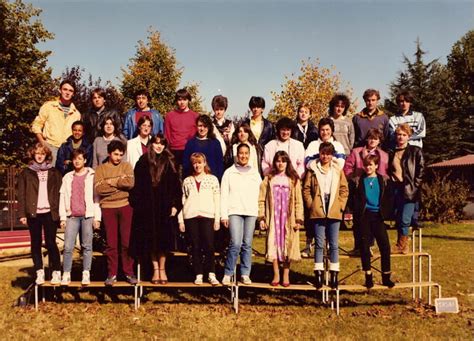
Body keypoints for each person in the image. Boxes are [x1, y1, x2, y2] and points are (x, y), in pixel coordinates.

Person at [130, 134, 182, 285]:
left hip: (165, 207)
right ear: (151, 144)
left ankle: (163, 269)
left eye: (162, 144)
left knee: (163, 240)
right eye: (156, 143)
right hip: (148, 207)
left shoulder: (170, 161)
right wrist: (138, 205)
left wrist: (175, 205)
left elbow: (176, 187)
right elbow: (137, 186)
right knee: (151, 240)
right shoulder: (143, 161)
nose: (159, 146)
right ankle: (155, 270)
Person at [303, 142, 348, 289]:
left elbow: (344, 189)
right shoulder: (313, 170)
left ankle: (334, 273)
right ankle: (319, 273)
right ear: (319, 153)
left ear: (332, 155)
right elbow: (306, 190)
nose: (325, 156)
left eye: (328, 154)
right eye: (323, 153)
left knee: (334, 244)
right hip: (318, 209)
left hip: (334, 208)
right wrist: (312, 205)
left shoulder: (337, 170)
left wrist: (341, 205)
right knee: (319, 244)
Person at [17, 143, 62, 285]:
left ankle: (56, 272)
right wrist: (22, 214)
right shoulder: (26, 172)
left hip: (50, 212)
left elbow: (60, 193)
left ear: (47, 155)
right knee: (35, 243)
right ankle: (39, 272)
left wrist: (61, 213)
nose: (40, 155)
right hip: (33, 213)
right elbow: (22, 194)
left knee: (51, 242)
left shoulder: (54, 172)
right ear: (33, 154)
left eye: (43, 153)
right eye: (37, 153)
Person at [94, 140, 137, 286]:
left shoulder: (127, 166)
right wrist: (119, 181)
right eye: (115, 154)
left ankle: (128, 272)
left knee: (126, 242)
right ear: (109, 153)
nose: (118, 157)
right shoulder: (101, 169)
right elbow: (99, 189)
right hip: (107, 207)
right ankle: (112, 274)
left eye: (120, 154)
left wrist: (109, 182)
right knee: (112, 243)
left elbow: (130, 184)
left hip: (125, 206)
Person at [258, 151, 303, 287]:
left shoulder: (294, 179)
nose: (280, 164)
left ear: (287, 163)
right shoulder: (269, 179)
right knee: (275, 244)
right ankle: (276, 273)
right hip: (274, 217)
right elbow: (261, 199)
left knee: (287, 244)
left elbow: (298, 201)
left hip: (288, 218)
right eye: (278, 161)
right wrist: (262, 217)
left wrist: (299, 219)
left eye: (283, 161)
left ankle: (286, 274)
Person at [302, 117, 345, 257]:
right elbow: (308, 163)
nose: (325, 132)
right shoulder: (313, 145)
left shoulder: (338, 145)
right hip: (317, 188)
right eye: (322, 130)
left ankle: (330, 256)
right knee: (314, 223)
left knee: (331, 230)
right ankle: (309, 246)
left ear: (332, 130)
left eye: (327, 130)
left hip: (332, 188)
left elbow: (340, 164)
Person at [221, 144, 262, 285]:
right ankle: (228, 272)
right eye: (241, 153)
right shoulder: (229, 173)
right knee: (235, 243)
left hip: (250, 212)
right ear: (237, 155)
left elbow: (260, 195)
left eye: (246, 153)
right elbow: (224, 195)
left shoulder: (255, 174)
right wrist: (224, 215)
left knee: (247, 244)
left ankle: (245, 273)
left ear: (249, 155)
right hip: (234, 211)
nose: (243, 156)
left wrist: (259, 214)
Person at [59, 149, 101, 286]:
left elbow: (96, 198)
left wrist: (97, 218)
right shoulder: (67, 177)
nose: (77, 161)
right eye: (75, 158)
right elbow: (63, 197)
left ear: (85, 160)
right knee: (68, 246)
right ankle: (66, 273)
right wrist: (63, 217)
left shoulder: (92, 176)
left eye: (80, 158)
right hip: (72, 216)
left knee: (87, 246)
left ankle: (86, 273)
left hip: (87, 216)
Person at [343, 128, 389, 254]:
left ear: (379, 140)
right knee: (358, 219)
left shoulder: (384, 155)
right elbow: (347, 168)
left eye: (375, 138)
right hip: (359, 190)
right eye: (370, 138)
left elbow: (386, 172)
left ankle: (369, 246)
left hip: (375, 190)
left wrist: (383, 180)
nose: (372, 141)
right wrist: (353, 178)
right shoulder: (356, 152)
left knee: (374, 219)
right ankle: (358, 247)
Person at [179, 153, 220, 285]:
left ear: (204, 163)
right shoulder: (187, 181)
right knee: (195, 246)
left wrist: (217, 219)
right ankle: (198, 274)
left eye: (200, 162)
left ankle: (211, 274)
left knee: (209, 245)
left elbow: (217, 200)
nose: (197, 165)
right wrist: (181, 220)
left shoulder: (212, 179)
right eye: (195, 163)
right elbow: (182, 201)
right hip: (191, 216)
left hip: (208, 216)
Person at [354, 154, 395, 288]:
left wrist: (387, 213)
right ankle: (368, 276)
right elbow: (355, 199)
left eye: (371, 165)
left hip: (378, 215)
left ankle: (386, 276)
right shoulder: (359, 180)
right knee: (365, 246)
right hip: (365, 216)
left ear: (376, 166)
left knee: (385, 246)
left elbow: (388, 198)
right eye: (366, 165)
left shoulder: (383, 180)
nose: (368, 167)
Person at [389, 123, 424, 254]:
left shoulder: (415, 151)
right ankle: (400, 244)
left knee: (405, 218)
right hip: (396, 188)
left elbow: (421, 170)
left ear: (408, 136)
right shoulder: (392, 152)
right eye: (398, 134)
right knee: (398, 217)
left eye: (404, 135)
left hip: (410, 189)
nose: (401, 137)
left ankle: (403, 244)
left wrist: (415, 186)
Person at [31, 79, 81, 165]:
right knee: (50, 176)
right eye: (65, 89)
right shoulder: (48, 106)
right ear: (60, 90)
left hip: (67, 150)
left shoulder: (76, 114)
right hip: (51, 147)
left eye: (70, 90)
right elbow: (36, 125)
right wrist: (42, 142)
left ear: (73, 94)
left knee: (65, 177)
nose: (67, 92)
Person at [164, 88, 199, 166]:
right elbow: (167, 134)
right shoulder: (169, 116)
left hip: (190, 151)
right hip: (173, 151)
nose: (182, 102)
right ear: (176, 101)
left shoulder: (195, 116)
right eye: (179, 100)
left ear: (188, 100)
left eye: (184, 99)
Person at [183, 115, 224, 180]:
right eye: (200, 126)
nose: (202, 129)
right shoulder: (190, 143)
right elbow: (186, 164)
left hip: (211, 181)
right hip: (194, 179)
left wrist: (218, 180)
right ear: (196, 126)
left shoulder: (215, 143)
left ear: (209, 127)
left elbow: (220, 164)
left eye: (205, 126)